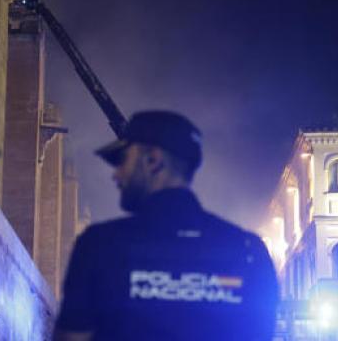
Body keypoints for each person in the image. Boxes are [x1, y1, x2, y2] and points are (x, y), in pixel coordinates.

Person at [55, 110, 279, 341]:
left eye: (122, 161)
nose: (116, 175)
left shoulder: (99, 245)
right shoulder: (248, 251)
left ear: (153, 161)